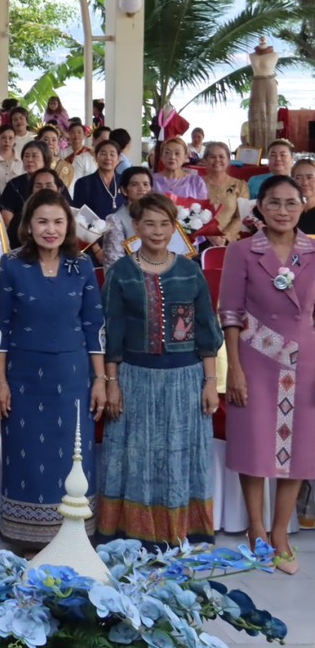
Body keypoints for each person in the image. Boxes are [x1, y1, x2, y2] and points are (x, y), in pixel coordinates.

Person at [97, 193, 222, 546]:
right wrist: (112, 383)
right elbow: (112, 334)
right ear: (136, 226)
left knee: (179, 453)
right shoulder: (121, 272)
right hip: (135, 377)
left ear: (175, 227)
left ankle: (182, 532)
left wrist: (210, 382)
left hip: (185, 378)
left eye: (164, 224)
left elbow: (206, 332)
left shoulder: (189, 270)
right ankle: (132, 535)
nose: (156, 231)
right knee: (136, 454)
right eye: (149, 223)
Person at [0, 189, 106, 547]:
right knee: (26, 451)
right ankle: (24, 533)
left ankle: (73, 533)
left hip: (74, 377)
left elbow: (94, 327)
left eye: (58, 222)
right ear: (27, 225)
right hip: (23, 377)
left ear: (69, 226)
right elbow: (1, 328)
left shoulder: (82, 265)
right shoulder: (11, 264)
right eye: (42, 221)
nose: (50, 229)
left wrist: (101, 379)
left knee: (73, 452)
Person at [220, 174, 314, 574]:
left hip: (306, 359)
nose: (282, 210)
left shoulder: (313, 251)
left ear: (303, 206)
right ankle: (256, 530)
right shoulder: (242, 251)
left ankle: (280, 533)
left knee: (301, 453)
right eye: (274, 202)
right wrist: (235, 369)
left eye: (291, 203)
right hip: (255, 358)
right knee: (255, 446)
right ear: (259, 206)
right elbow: (230, 313)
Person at [100, 166, 154, 269]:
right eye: (134, 184)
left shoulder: (160, 215)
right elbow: (114, 263)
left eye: (145, 184)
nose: (141, 188)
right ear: (124, 190)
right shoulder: (115, 220)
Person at [73, 138, 125, 223]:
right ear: (95, 157)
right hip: (94, 232)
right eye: (103, 154)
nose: (108, 158)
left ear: (118, 158)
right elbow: (79, 216)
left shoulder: (125, 181)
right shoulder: (83, 183)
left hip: (123, 233)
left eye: (112, 154)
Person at [153, 137, 209, 202]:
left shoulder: (196, 182)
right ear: (161, 157)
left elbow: (202, 208)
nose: (172, 157)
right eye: (167, 153)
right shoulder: (151, 180)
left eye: (177, 153)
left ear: (185, 157)